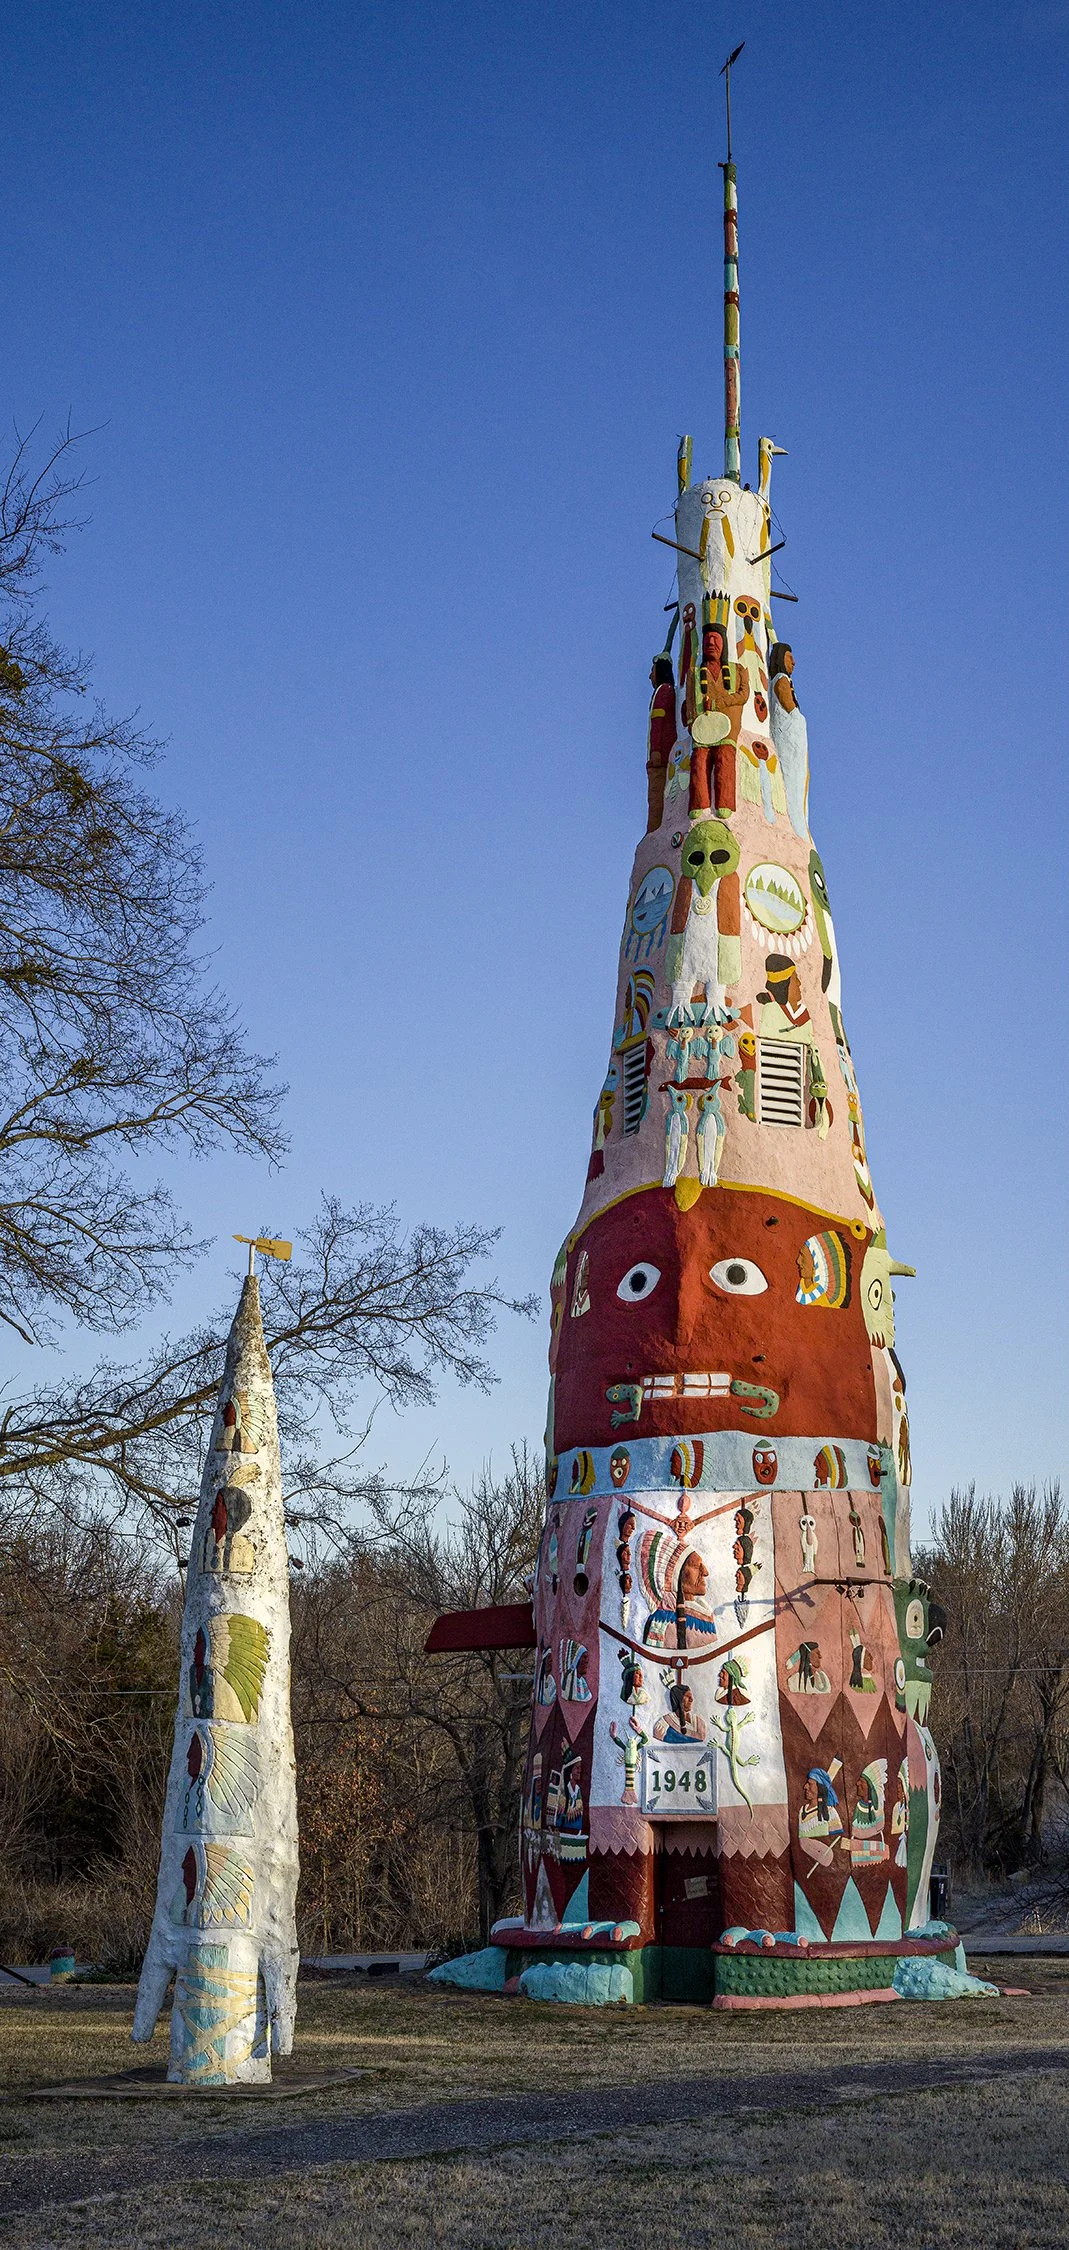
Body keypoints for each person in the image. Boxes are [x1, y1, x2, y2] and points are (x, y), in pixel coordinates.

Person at [768, 642, 810, 838]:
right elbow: (789, 706)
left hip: (791, 736)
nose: (794, 662)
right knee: (793, 779)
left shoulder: (780, 680)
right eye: (789, 657)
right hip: (788, 736)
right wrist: (797, 718)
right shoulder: (781, 679)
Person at [645, 653, 678, 831]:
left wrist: (656, 751)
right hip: (660, 757)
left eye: (653, 671)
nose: (650, 675)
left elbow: (658, 723)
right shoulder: (664, 691)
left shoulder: (663, 691)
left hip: (661, 758)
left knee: (657, 796)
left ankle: (655, 829)